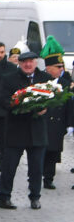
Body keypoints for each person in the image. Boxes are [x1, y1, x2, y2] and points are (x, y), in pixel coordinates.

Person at [0, 51, 51, 209]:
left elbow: (54, 99)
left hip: (37, 130)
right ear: (19, 64)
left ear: (36, 62)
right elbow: (2, 100)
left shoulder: (45, 79)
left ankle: (35, 197)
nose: (28, 65)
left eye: (31, 62)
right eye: (24, 62)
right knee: (9, 166)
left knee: (36, 167)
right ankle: (4, 197)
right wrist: (18, 106)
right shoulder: (9, 79)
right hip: (16, 128)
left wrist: (46, 108)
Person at [40, 42, 73, 190]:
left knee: (53, 152)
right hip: (43, 121)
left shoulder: (66, 84)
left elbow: (69, 106)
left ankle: (48, 178)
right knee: (40, 151)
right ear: (48, 68)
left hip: (58, 123)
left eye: (62, 67)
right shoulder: (41, 81)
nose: (61, 69)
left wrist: (69, 124)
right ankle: (34, 175)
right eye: (58, 67)